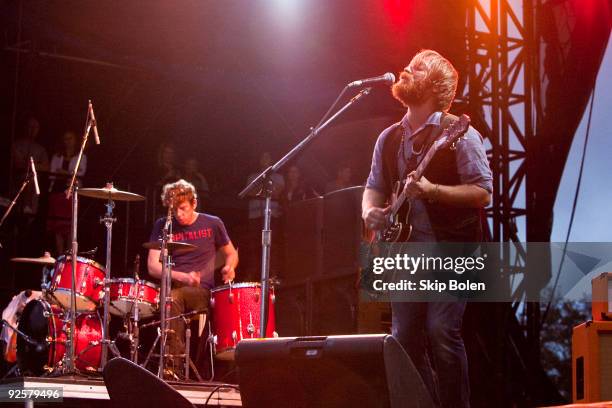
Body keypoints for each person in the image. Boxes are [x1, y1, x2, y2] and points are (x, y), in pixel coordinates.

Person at [362, 49, 492, 408]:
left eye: (417, 68)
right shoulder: (388, 138)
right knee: (403, 339)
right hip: (405, 252)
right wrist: (370, 210)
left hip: (452, 249)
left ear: (435, 86)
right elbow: (373, 186)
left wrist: (433, 191)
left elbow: (482, 192)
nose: (406, 69)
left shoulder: (460, 134)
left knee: (441, 332)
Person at [147, 179, 238, 378]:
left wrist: (229, 267)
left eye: (183, 208)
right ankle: (169, 363)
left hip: (202, 291)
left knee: (173, 298)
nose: (178, 214)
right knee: (167, 296)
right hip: (174, 285)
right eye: (173, 210)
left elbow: (231, 253)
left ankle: (174, 368)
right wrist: (183, 277)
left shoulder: (213, 223)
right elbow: (153, 265)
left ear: (194, 203)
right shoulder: (163, 225)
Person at [46, 131, 86, 255]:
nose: (67, 141)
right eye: (65, 138)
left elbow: (80, 172)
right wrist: (69, 173)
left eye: (70, 138)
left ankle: (69, 255)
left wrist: (65, 172)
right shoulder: (57, 156)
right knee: (58, 227)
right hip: (57, 191)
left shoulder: (81, 156)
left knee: (69, 226)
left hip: (72, 192)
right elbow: (53, 171)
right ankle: (60, 255)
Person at [11, 117, 49, 215]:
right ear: (26, 128)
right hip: (17, 183)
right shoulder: (17, 144)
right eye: (30, 126)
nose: (32, 129)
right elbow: (18, 163)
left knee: (31, 212)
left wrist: (32, 165)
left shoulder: (41, 149)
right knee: (16, 211)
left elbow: (46, 167)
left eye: (35, 127)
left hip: (35, 185)